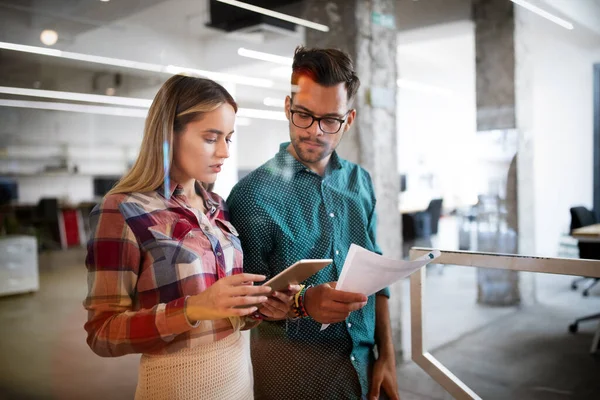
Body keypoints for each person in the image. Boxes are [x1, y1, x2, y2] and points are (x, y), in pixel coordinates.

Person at [83, 75, 296, 400]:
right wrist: (193, 308)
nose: (225, 151)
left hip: (239, 381)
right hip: (177, 386)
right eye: (212, 138)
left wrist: (261, 309)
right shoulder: (123, 210)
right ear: (170, 134)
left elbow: (224, 314)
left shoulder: (216, 206)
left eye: (229, 138)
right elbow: (102, 333)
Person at [227, 47, 400, 400]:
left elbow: (377, 278)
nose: (315, 132)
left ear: (348, 120)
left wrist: (388, 357)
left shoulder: (360, 182)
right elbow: (245, 309)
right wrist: (304, 303)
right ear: (287, 107)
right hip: (296, 381)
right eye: (304, 115)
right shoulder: (250, 197)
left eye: (330, 120)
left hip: (364, 371)